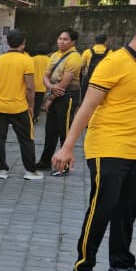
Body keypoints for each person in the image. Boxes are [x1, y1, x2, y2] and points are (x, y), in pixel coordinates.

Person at [53, 8, 136, 271]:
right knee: (102, 208)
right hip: (107, 147)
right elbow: (87, 108)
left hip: (134, 151)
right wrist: (67, 147)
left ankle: (121, 266)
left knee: (127, 211)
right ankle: (82, 267)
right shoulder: (113, 63)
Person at [0, 29, 41, 180]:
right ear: (23, 44)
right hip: (19, 107)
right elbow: (30, 87)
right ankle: (30, 171)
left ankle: (2, 170)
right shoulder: (27, 60)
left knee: (0, 138)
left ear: (7, 42)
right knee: (26, 139)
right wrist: (31, 106)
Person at [40, 29, 83, 175]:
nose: (61, 41)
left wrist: (49, 100)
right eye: (59, 38)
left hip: (67, 96)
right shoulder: (55, 55)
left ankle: (64, 167)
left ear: (73, 42)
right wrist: (51, 87)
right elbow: (45, 77)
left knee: (64, 131)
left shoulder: (75, 57)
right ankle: (45, 162)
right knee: (50, 130)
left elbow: (64, 85)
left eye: (65, 39)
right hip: (55, 92)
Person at [79, 34, 110, 100]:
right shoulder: (110, 52)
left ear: (95, 42)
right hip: (104, 80)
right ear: (105, 42)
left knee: (86, 99)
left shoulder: (87, 52)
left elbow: (81, 66)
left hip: (89, 79)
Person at [30, 47, 50, 124]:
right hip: (42, 85)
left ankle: (30, 116)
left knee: (31, 101)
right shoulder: (49, 60)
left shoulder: (32, 59)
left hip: (32, 84)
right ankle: (35, 117)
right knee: (38, 103)